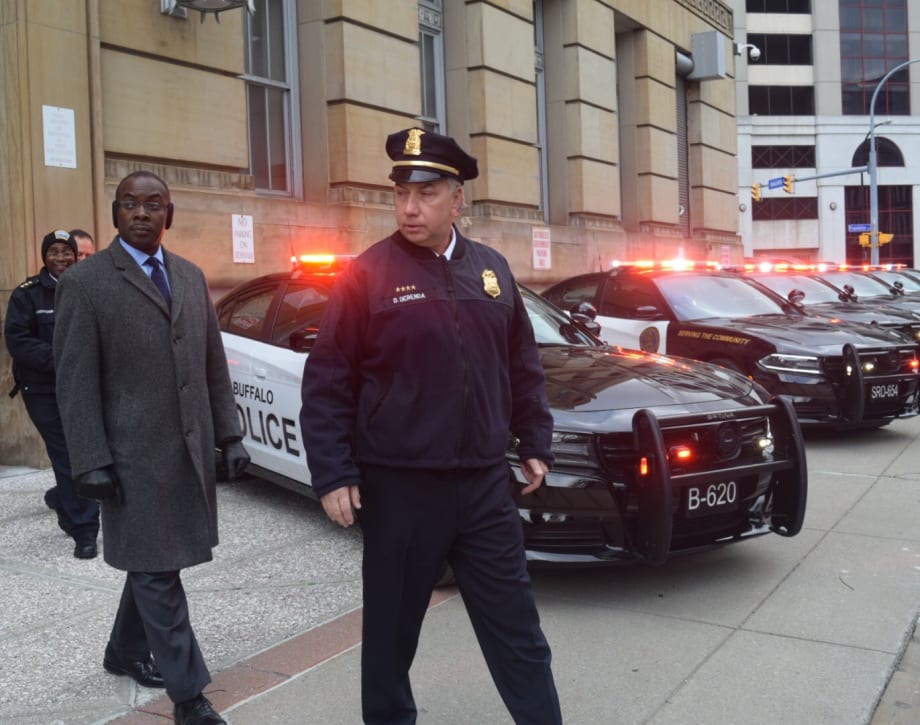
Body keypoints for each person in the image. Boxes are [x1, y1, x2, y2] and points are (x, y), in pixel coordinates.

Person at [300, 128, 563, 724]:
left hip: (484, 488)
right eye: (400, 194)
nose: (409, 208)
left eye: (425, 193)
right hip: (401, 489)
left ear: (457, 198)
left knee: (517, 628)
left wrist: (535, 443)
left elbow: (522, 364)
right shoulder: (367, 274)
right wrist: (334, 472)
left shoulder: (492, 271)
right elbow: (329, 380)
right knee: (391, 639)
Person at [53, 171, 250, 725]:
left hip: (186, 455)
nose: (142, 213)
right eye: (130, 204)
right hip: (129, 461)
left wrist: (229, 435)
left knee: (153, 561)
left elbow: (213, 366)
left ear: (171, 213)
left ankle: (123, 649)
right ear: (115, 213)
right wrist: (88, 460)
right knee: (159, 571)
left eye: (153, 204)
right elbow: (75, 382)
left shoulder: (189, 277)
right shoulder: (86, 283)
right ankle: (190, 698)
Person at [4, 229, 100, 558]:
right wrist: (61, 360)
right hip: (43, 389)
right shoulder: (27, 294)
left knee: (83, 449)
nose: (61, 258)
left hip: (83, 387)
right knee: (68, 452)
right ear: (44, 257)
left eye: (66, 252)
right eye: (54, 252)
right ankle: (86, 530)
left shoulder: (89, 288)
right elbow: (17, 339)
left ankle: (63, 498)